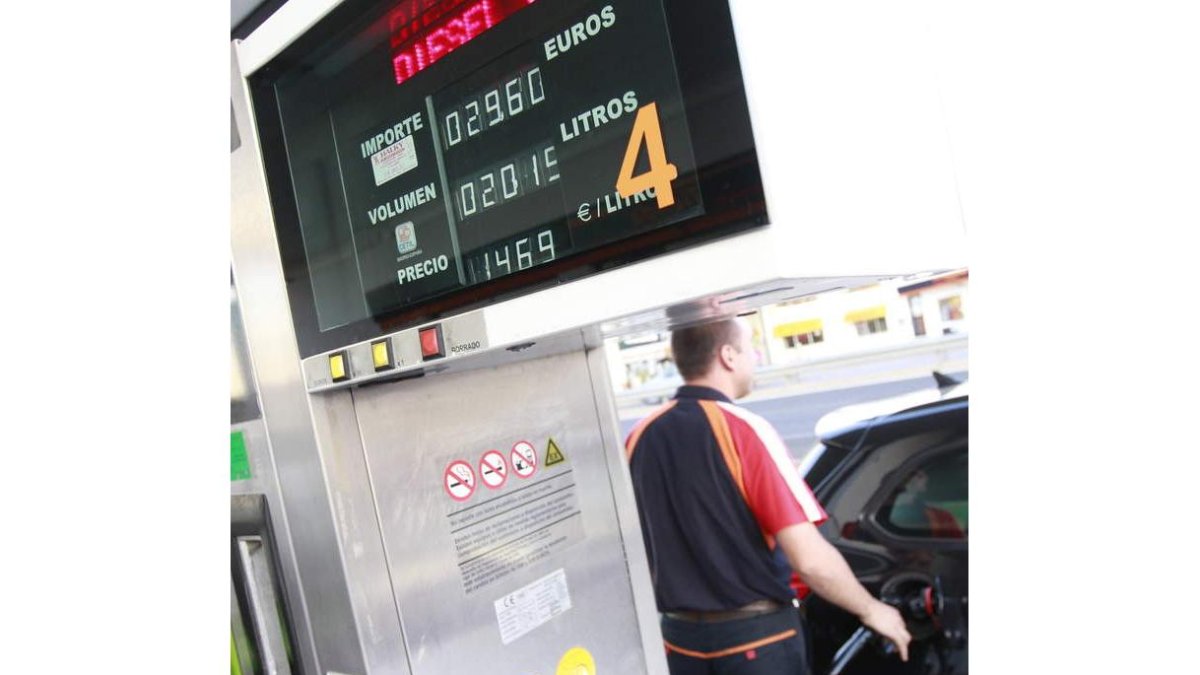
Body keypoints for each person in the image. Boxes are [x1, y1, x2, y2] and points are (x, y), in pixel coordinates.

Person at [625, 317, 911, 675]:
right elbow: (809, 560)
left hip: (679, 642)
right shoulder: (744, 429)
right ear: (728, 355)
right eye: (751, 348)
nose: (756, 357)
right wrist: (872, 610)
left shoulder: (639, 436)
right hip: (755, 642)